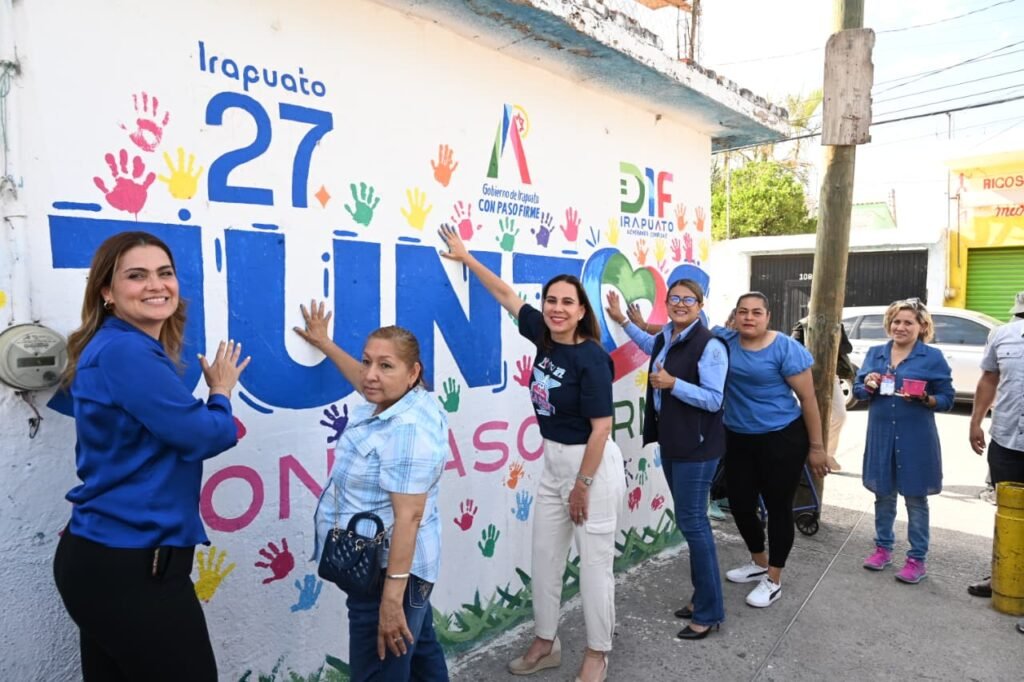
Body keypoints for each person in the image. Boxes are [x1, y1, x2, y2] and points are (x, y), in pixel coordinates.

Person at [52, 231, 249, 681]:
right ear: (107, 292)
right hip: (131, 566)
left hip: (109, 559)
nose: (156, 285)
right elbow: (203, 436)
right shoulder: (126, 351)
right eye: (136, 276)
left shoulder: (121, 346)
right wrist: (220, 392)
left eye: (165, 273)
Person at [438, 225, 623, 682]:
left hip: (591, 469)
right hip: (553, 464)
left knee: (594, 568)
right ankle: (546, 642)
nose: (557, 308)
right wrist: (467, 257)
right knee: (544, 559)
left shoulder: (591, 358)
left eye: (567, 303)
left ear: (582, 311)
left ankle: (598, 652)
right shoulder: (544, 335)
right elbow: (505, 294)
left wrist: (581, 485)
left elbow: (602, 428)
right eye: (550, 300)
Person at [295, 304, 449, 682]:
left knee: (378, 670)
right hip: (406, 570)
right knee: (421, 654)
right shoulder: (403, 400)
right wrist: (326, 344)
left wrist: (391, 602)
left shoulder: (406, 429)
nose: (370, 375)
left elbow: (408, 516)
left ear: (413, 373)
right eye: (367, 361)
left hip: (386, 576)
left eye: (386, 365)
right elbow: (365, 381)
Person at [606, 281, 727, 640]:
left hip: (697, 448)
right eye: (674, 298)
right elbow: (649, 345)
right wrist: (623, 321)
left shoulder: (710, 345)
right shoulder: (667, 336)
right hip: (674, 442)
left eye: (688, 299)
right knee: (691, 523)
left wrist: (674, 384)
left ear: (700, 305)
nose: (680, 304)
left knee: (694, 524)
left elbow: (714, 400)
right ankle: (701, 598)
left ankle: (709, 612)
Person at [712, 292, 828, 608]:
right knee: (740, 504)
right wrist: (631, 323)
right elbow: (684, 329)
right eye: (743, 312)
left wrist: (817, 448)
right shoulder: (725, 340)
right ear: (734, 316)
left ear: (767, 316)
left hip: (781, 438)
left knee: (778, 508)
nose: (749, 317)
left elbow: (808, 399)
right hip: (738, 437)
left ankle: (774, 579)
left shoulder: (785, 348)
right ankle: (759, 562)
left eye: (756, 312)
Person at [853, 298, 954, 584]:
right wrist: (868, 385)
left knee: (915, 499)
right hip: (881, 436)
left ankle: (916, 559)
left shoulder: (932, 357)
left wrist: (926, 398)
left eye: (908, 322)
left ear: (921, 326)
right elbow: (859, 391)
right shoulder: (875, 353)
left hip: (916, 438)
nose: (901, 327)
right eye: (896, 321)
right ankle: (882, 549)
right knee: (883, 495)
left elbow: (947, 398)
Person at [966, 291, 1024, 612]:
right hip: (1006, 440)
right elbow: (988, 379)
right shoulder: (1003, 335)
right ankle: (1003, 574)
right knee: (1007, 512)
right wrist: (976, 421)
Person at [791, 318, 855, 472]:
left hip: (830, 374)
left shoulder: (837, 323)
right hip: (806, 374)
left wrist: (832, 342)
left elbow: (847, 347)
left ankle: (828, 453)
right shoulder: (803, 325)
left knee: (839, 415)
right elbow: (793, 348)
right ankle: (804, 455)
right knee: (805, 418)